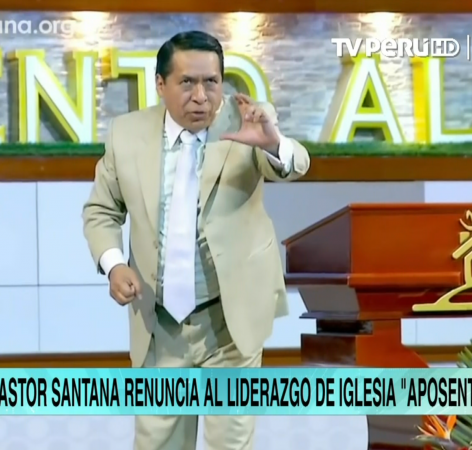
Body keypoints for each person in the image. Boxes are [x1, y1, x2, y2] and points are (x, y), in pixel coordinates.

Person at [81, 30, 310, 450]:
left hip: (230, 320)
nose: (201, 96)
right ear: (160, 84)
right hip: (160, 324)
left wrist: (274, 143)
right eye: (187, 82)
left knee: (231, 445)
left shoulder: (247, 122)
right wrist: (113, 264)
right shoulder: (127, 134)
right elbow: (101, 210)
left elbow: (293, 166)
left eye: (211, 82)